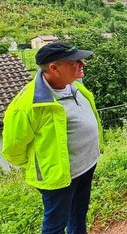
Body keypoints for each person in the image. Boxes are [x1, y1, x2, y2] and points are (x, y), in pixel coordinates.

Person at [2, 42, 102, 234]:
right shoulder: (28, 104)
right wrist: (44, 164)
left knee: (79, 212)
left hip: (86, 166)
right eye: (75, 61)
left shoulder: (74, 86)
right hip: (58, 177)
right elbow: (13, 148)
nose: (83, 64)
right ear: (54, 68)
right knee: (56, 224)